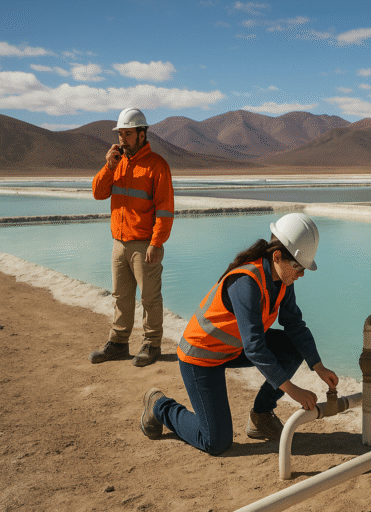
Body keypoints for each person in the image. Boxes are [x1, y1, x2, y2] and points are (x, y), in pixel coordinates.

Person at [139, 213, 339, 455]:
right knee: (215, 442)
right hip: (201, 357)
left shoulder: (282, 282)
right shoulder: (246, 283)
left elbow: (294, 324)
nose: (301, 274)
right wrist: (292, 389)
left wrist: (318, 366)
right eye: (298, 267)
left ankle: (261, 415)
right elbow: (255, 346)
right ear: (277, 257)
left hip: (232, 349)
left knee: (293, 347)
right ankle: (159, 406)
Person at [89, 108, 174, 367]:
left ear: (141, 134)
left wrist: (156, 242)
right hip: (119, 242)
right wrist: (109, 165)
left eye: (128, 133)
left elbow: (165, 209)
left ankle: (152, 344)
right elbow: (98, 193)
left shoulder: (157, 165)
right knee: (120, 296)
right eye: (120, 133)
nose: (123, 138)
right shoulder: (117, 163)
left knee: (149, 297)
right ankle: (118, 343)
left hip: (144, 244)